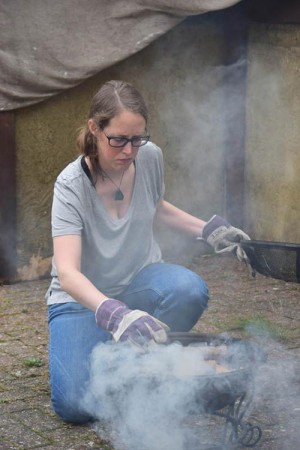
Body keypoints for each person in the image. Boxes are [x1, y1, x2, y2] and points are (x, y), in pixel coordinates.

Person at [46, 80, 250, 424]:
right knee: (75, 406)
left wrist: (207, 230)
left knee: (189, 289)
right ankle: (112, 349)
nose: (129, 151)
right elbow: (68, 273)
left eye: (137, 139)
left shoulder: (150, 156)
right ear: (95, 129)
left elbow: (154, 206)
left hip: (139, 281)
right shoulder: (70, 186)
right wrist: (115, 314)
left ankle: (140, 364)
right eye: (119, 140)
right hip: (80, 302)